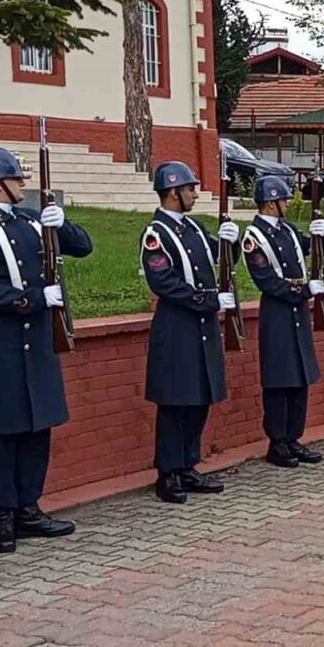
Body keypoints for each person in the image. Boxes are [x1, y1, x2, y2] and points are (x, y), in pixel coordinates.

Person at [0, 146, 92, 553]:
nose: (23, 184)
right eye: (17, 178)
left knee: (36, 428)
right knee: (0, 434)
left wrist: (62, 224)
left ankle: (29, 508)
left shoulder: (31, 221)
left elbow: (83, 247)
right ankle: (3, 518)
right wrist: (34, 299)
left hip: (36, 346)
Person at [141, 161, 239, 504]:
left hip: (202, 328)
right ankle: (168, 472)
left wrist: (231, 242)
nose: (195, 194)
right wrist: (208, 300)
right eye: (190, 189)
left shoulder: (194, 228)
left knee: (199, 399)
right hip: (177, 328)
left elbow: (222, 260)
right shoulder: (156, 234)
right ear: (172, 191)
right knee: (175, 404)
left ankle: (187, 463)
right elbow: (164, 283)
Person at [241, 176, 324, 467]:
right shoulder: (253, 237)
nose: (287, 204)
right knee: (279, 379)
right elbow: (268, 282)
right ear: (271, 202)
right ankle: (277, 441)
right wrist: (305, 290)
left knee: (299, 377)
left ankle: (294, 437)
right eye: (283, 199)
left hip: (297, 313)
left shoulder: (288, 230)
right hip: (278, 312)